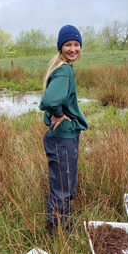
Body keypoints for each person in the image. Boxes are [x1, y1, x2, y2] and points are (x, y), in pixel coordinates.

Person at [39, 24, 89, 235]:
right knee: (63, 187)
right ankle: (58, 232)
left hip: (59, 138)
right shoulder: (65, 70)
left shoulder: (59, 67)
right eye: (68, 44)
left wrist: (58, 112)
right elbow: (50, 99)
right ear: (61, 47)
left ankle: (61, 224)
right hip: (63, 139)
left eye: (76, 44)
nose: (73, 49)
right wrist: (58, 114)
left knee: (61, 184)